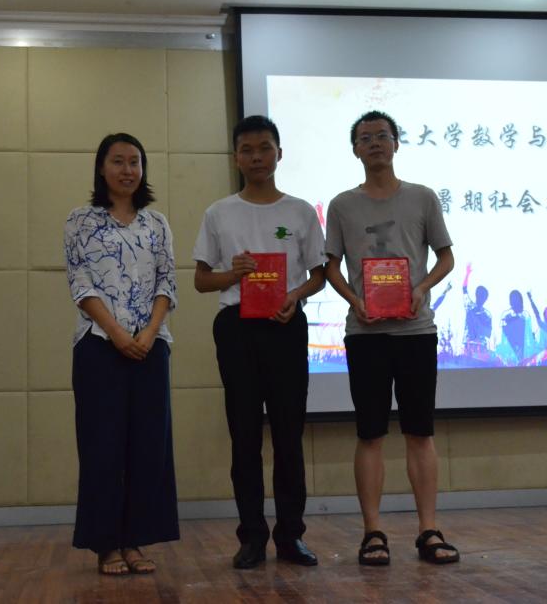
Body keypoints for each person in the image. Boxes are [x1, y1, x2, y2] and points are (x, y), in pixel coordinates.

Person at [324, 110, 459, 566]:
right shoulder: (342, 205)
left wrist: (421, 288)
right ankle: (373, 532)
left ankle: (429, 530)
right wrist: (353, 299)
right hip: (366, 333)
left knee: (420, 432)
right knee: (370, 434)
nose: (375, 143)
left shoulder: (422, 198)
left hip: (416, 331)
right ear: (355, 150)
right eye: (365, 138)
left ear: (397, 144)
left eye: (383, 136)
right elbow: (329, 266)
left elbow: (445, 258)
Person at [193, 115, 326, 569]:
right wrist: (233, 274)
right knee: (244, 436)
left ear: (279, 153)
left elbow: (319, 275)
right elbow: (201, 280)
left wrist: (294, 295)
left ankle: (291, 537)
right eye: (247, 150)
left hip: (286, 325)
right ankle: (251, 537)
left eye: (265, 148)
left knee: (289, 436)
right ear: (235, 158)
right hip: (237, 329)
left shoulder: (301, 211)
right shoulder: (219, 212)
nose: (257, 157)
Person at [64, 133, 179, 576]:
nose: (127, 170)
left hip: (151, 346)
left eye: (135, 161)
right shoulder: (80, 220)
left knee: (149, 446)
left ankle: (135, 541)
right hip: (98, 345)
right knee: (102, 446)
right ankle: (106, 545)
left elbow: (168, 282)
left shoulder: (157, 223)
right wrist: (116, 334)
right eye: (118, 161)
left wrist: (148, 333)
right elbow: (80, 284)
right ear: (101, 167)